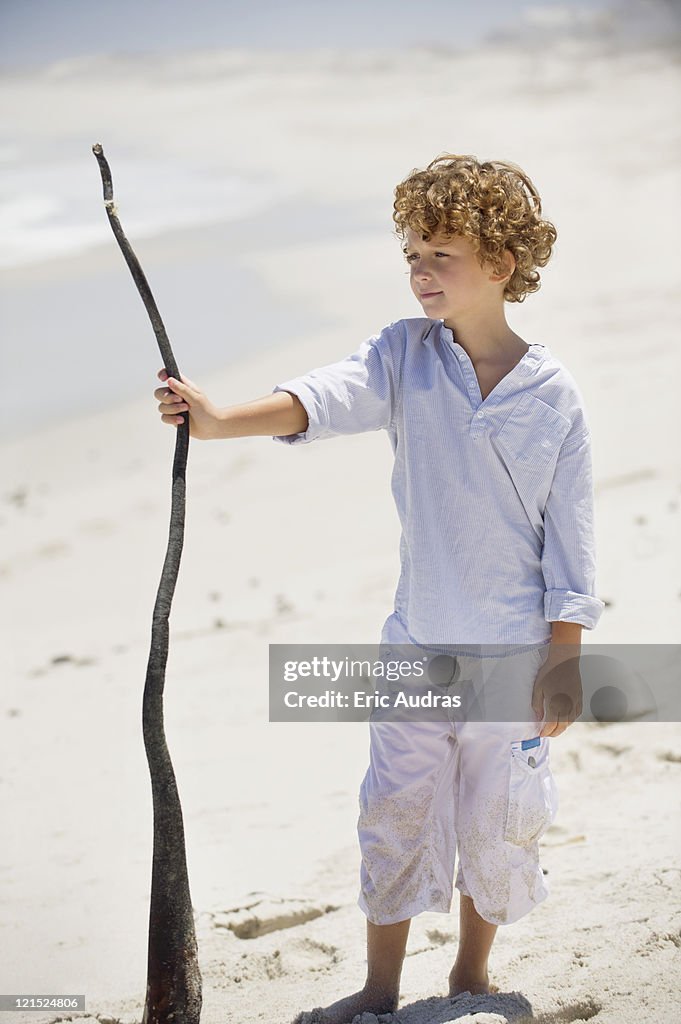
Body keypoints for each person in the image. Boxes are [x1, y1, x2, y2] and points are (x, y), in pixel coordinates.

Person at [153, 153, 604, 1023]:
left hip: (513, 658)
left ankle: (471, 976)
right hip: (414, 647)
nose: (419, 271)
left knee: (497, 819)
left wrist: (565, 655)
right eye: (411, 254)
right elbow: (323, 397)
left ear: (500, 264)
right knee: (391, 812)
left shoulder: (554, 396)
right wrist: (217, 422)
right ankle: (379, 988)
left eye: (440, 254)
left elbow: (571, 539)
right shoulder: (405, 355)